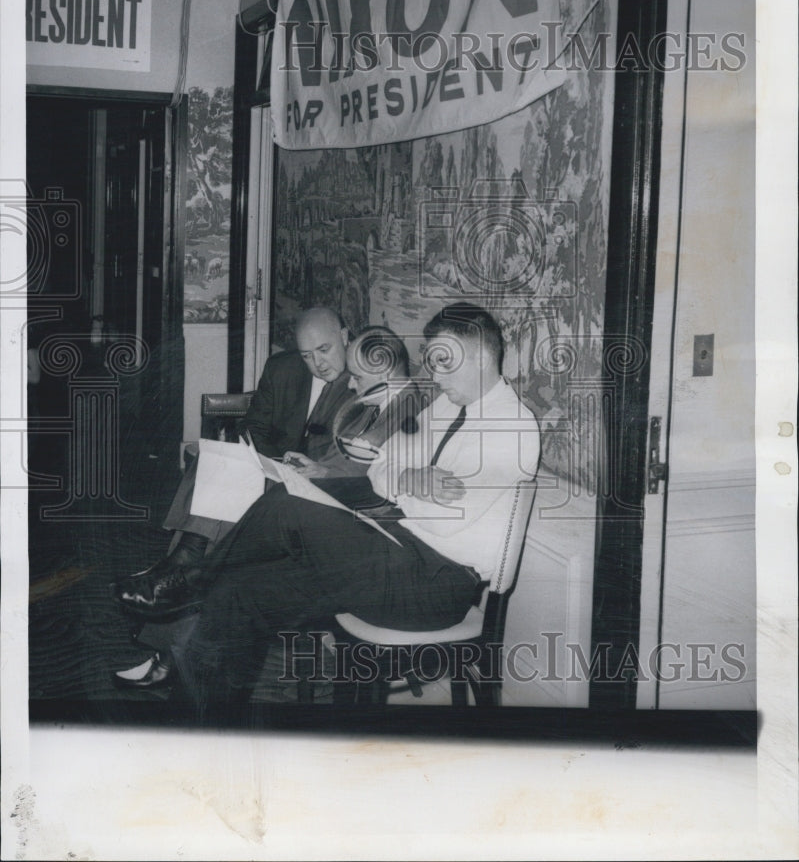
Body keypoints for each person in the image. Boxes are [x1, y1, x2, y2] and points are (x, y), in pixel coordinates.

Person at [149, 303, 540, 717]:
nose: (436, 376)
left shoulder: (513, 427)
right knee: (241, 593)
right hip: (395, 554)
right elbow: (382, 470)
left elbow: (445, 516)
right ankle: (194, 729)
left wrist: (405, 483)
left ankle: (194, 579)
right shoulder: (443, 406)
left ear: (480, 356)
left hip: (436, 585)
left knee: (288, 504)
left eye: (445, 363)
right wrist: (409, 479)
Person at [112, 324, 423, 691]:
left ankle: (177, 594)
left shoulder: (405, 402)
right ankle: (180, 589)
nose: (349, 385)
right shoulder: (383, 396)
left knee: (227, 501)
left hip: (351, 523)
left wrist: (320, 472)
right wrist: (313, 467)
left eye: (355, 377)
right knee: (220, 477)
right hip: (325, 494)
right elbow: (351, 458)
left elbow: (372, 477)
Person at [110, 306, 354, 612]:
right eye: (307, 355)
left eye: (324, 350)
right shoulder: (283, 368)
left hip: (317, 488)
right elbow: (254, 428)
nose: (317, 364)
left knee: (228, 482)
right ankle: (182, 569)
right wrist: (272, 464)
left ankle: (178, 571)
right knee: (218, 460)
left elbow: (346, 460)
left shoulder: (362, 382)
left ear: (344, 337)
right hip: (276, 470)